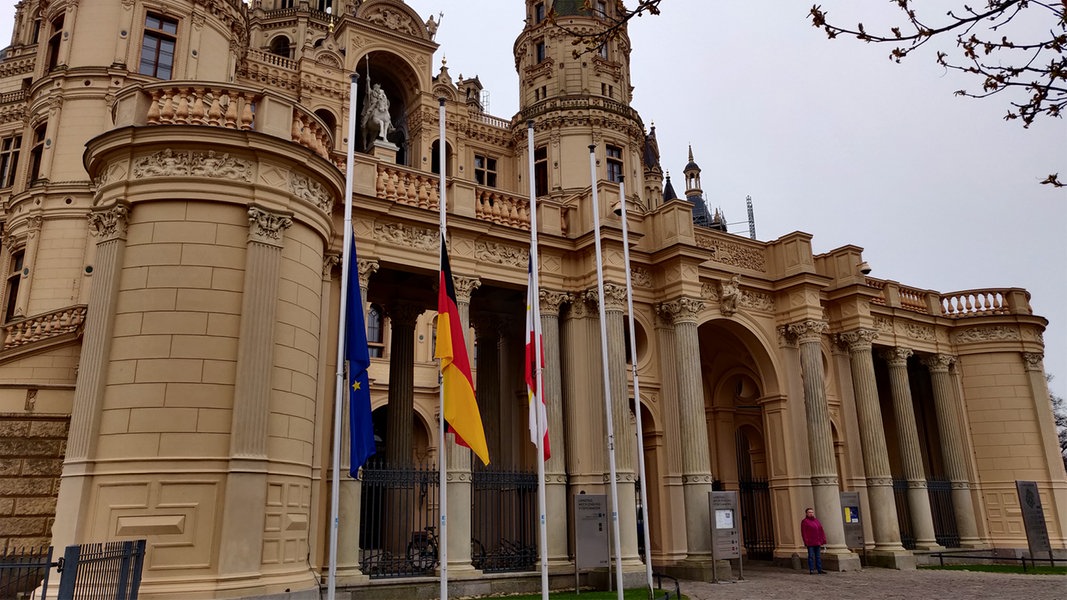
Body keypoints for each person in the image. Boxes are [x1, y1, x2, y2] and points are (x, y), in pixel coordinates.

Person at [800, 507, 827, 574]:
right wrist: (806, 541)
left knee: (818, 556)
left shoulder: (816, 521)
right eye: (809, 512)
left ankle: (819, 569)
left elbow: (821, 530)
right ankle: (811, 569)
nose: (811, 513)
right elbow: (804, 532)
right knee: (811, 556)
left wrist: (823, 539)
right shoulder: (805, 521)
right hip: (810, 542)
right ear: (806, 513)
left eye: (812, 512)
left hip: (817, 541)